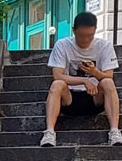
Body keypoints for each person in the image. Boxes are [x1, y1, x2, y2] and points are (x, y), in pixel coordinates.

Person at [40, 11, 122, 146]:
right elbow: (57, 75)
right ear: (73, 31)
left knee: (107, 82)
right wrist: (84, 81)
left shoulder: (104, 46)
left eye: (90, 36)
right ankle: (49, 132)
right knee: (57, 84)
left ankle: (114, 131)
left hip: (95, 97)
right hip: (69, 98)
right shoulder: (62, 45)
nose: (85, 40)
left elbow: (109, 76)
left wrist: (94, 72)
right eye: (81, 36)